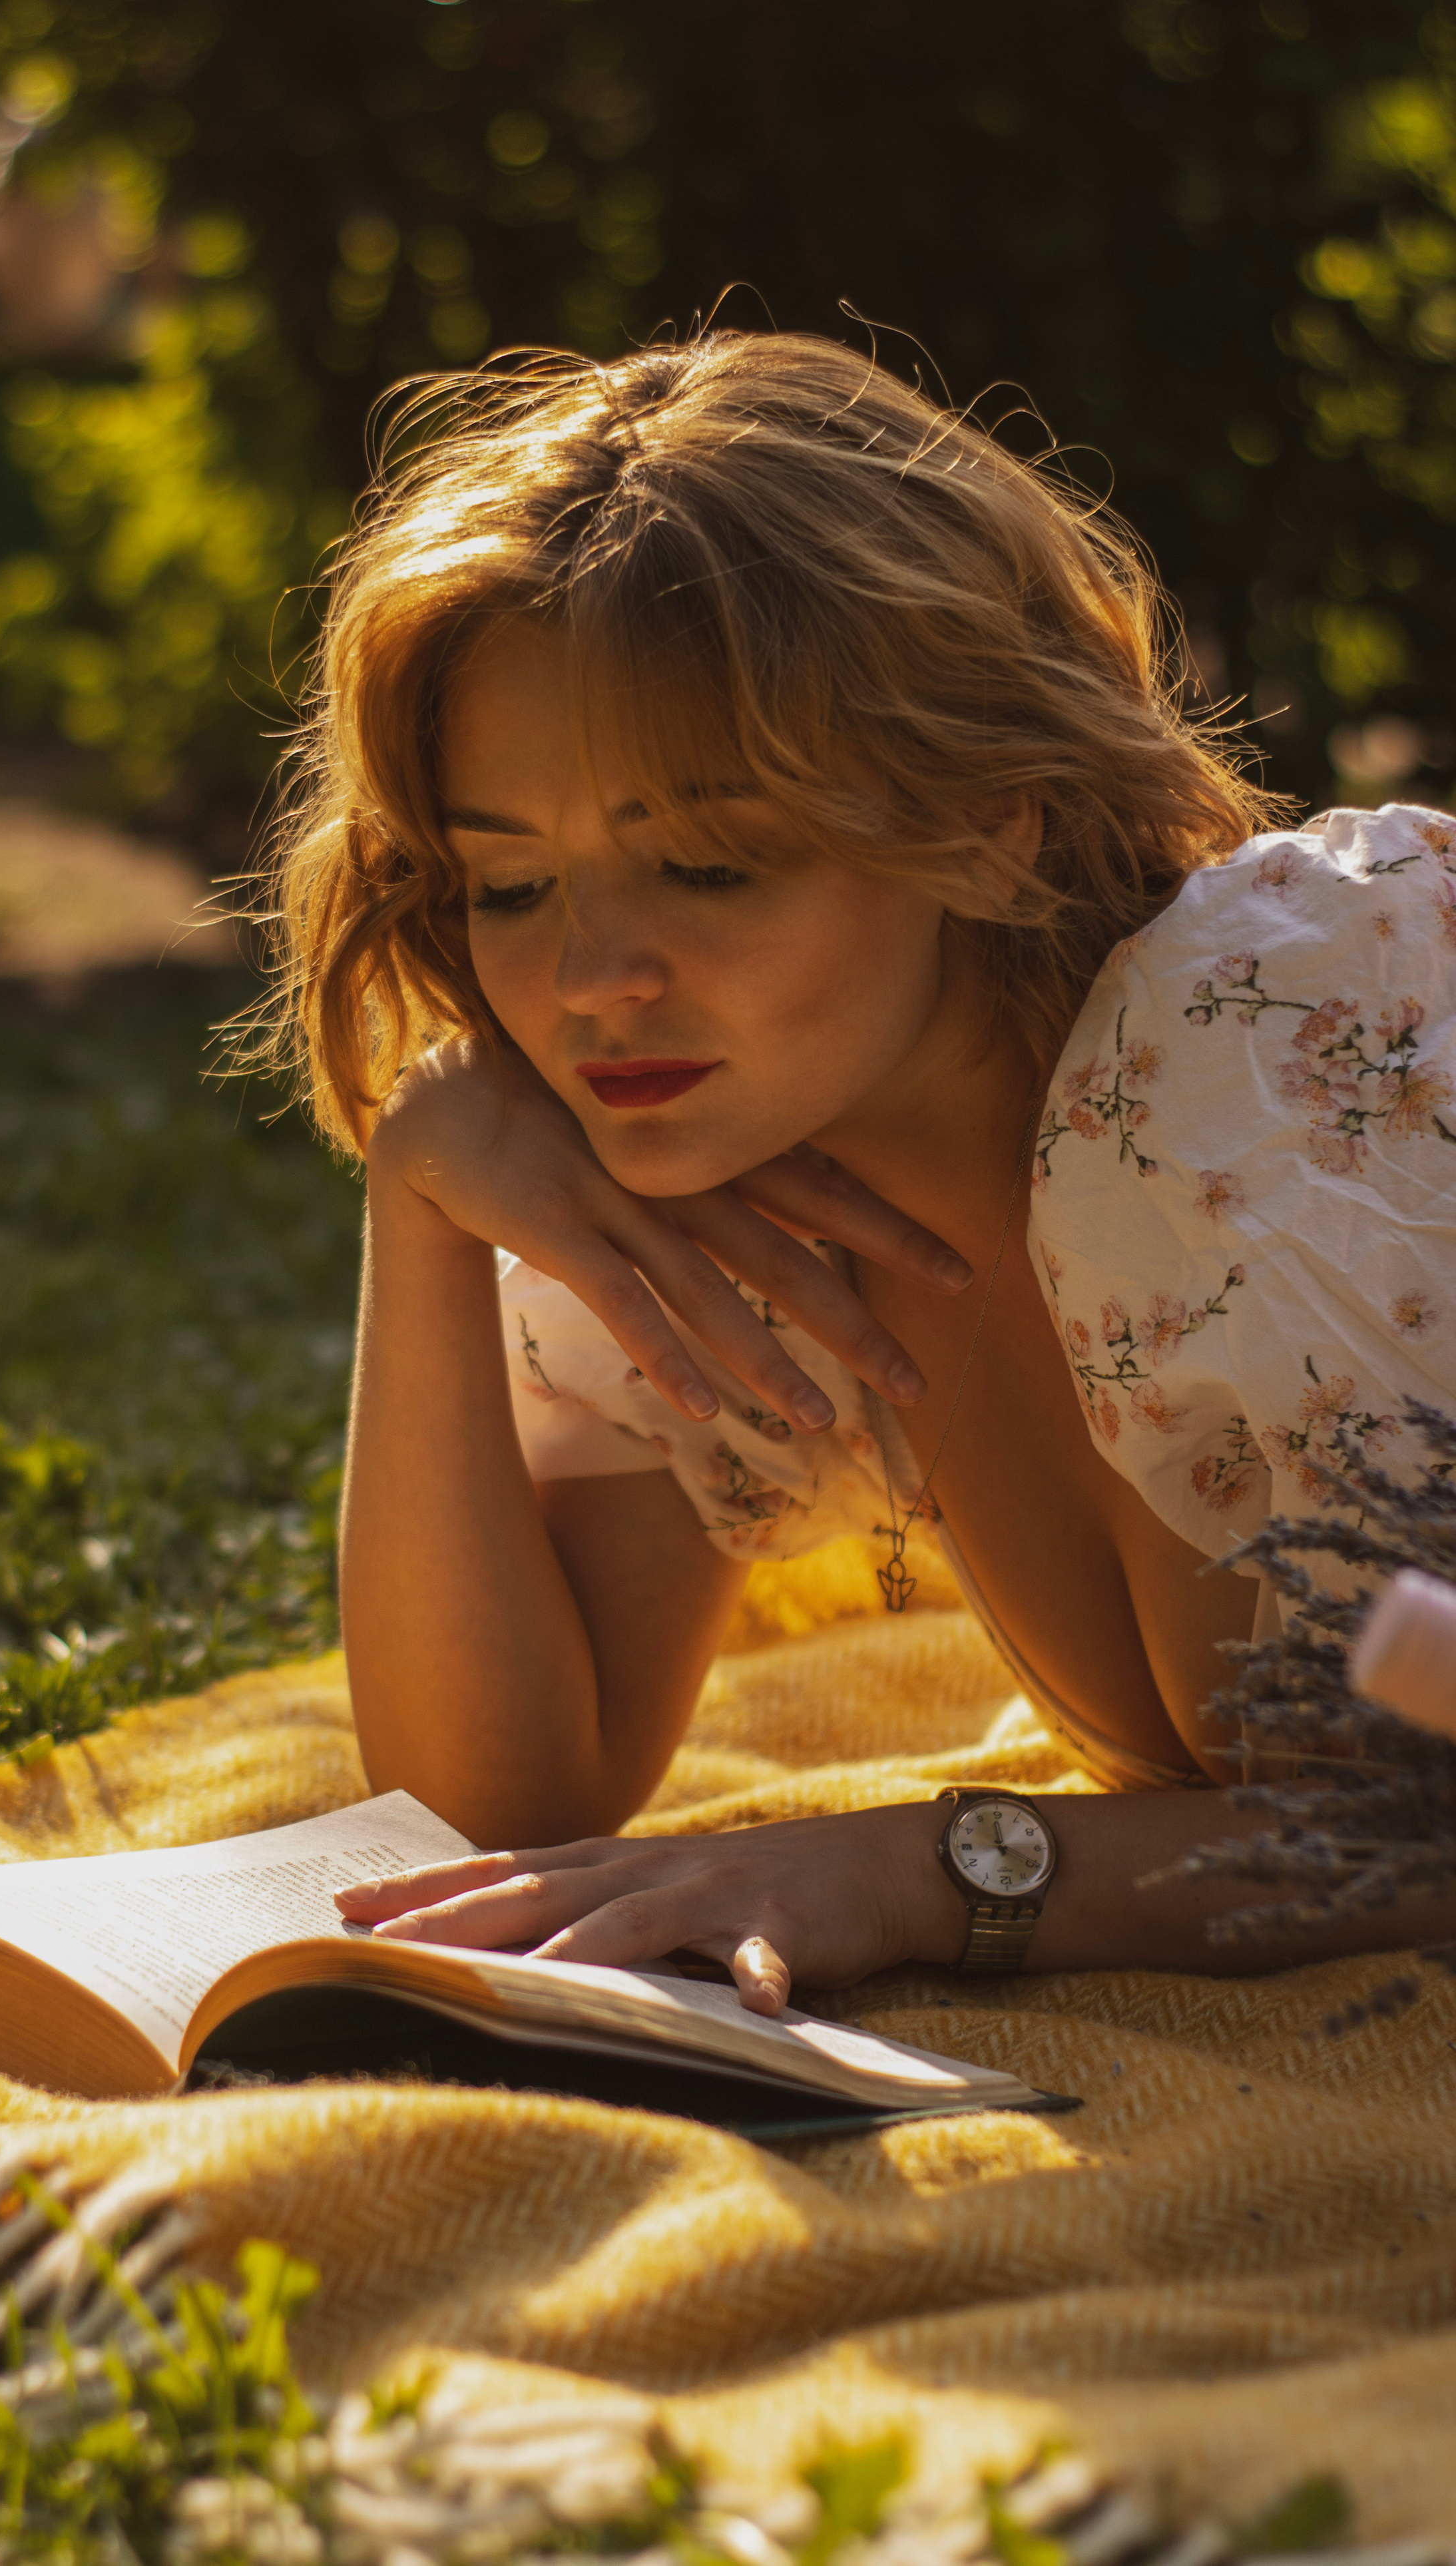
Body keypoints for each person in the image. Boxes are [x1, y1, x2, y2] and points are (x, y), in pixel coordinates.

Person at [260, 331, 1456, 2010]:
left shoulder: (1264, 1062)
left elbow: (1419, 1815)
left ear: (988, 815)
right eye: (509, 886)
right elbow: (487, 1810)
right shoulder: (751, 1207)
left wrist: (917, 1868)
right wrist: (419, 1195)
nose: (593, 977)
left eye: (707, 864)